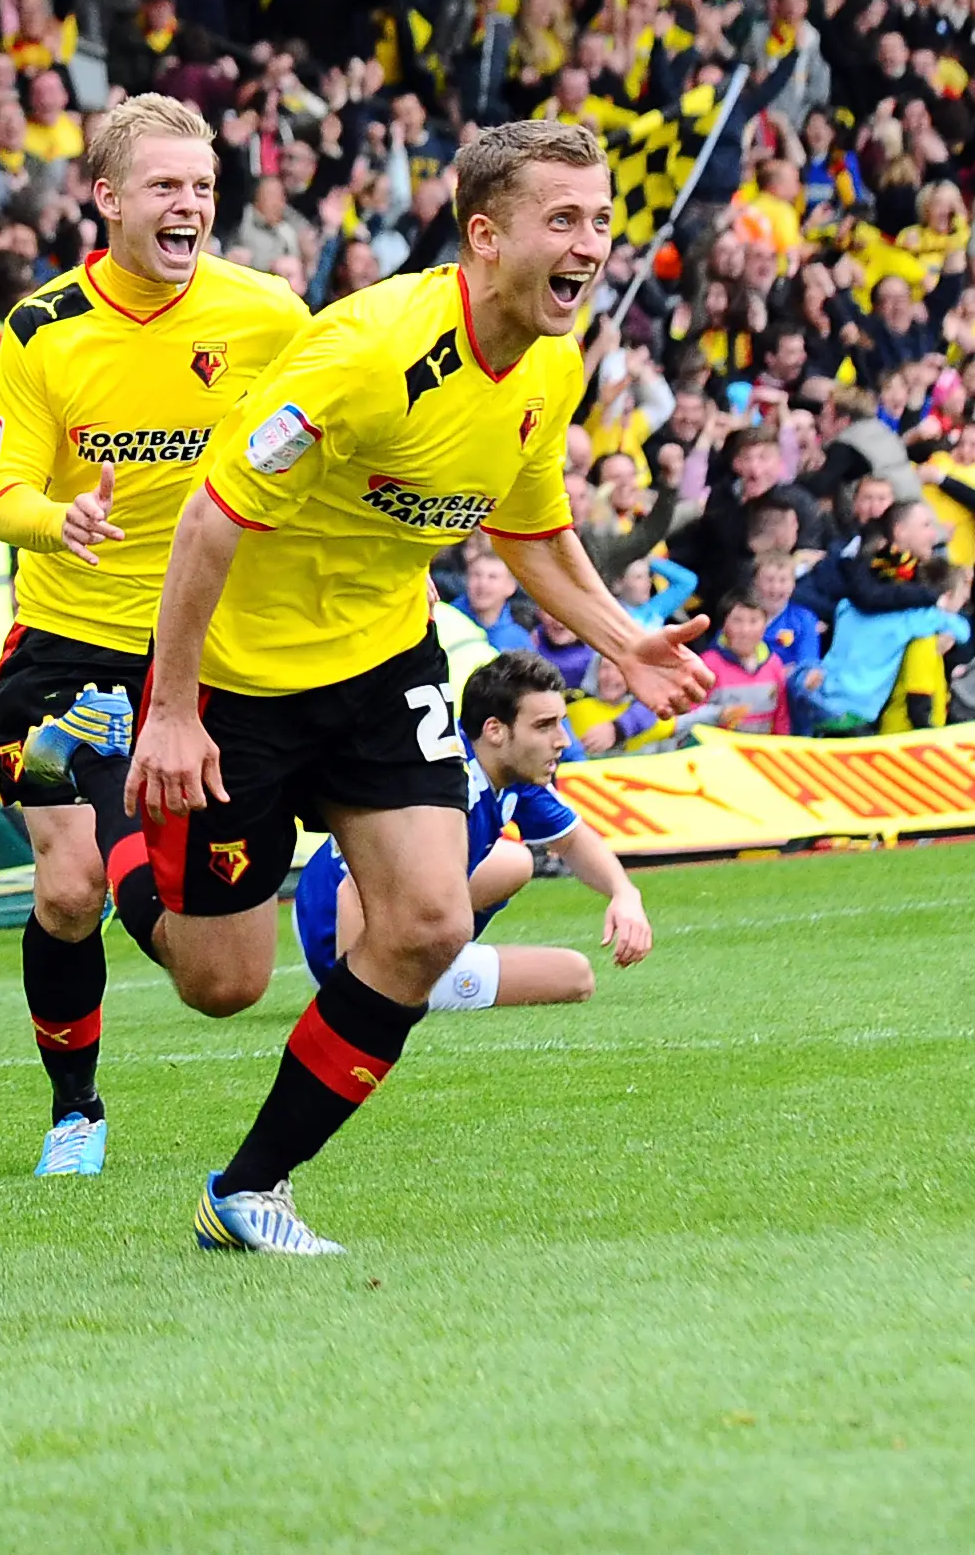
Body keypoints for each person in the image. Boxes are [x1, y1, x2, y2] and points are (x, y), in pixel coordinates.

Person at [125, 122, 708, 1254]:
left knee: (431, 920)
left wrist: (621, 636)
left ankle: (247, 1192)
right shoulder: (366, 353)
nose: (589, 246)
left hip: (382, 669)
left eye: (600, 221)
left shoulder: (550, 363)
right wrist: (174, 710)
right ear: (484, 236)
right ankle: (117, 829)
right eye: (563, 220)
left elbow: (529, 528)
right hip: (238, 683)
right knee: (221, 984)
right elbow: (208, 520)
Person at [0, 94, 306, 1174]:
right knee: (65, 887)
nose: (190, 205)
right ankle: (75, 1109)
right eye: (165, 186)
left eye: (202, 187)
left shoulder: (267, 317)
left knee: (211, 965)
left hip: (208, 654)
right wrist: (55, 517)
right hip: (65, 649)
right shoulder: (41, 327)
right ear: (108, 198)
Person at [291, 650, 652, 1009]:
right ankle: (386, 978)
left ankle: (430, 955)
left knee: (516, 862)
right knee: (575, 976)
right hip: (338, 936)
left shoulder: (508, 771)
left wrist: (625, 894)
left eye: (560, 723)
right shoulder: (449, 791)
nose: (563, 740)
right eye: (544, 726)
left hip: (328, 906)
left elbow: (572, 840)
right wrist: (354, 997)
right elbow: (353, 887)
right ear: (495, 730)